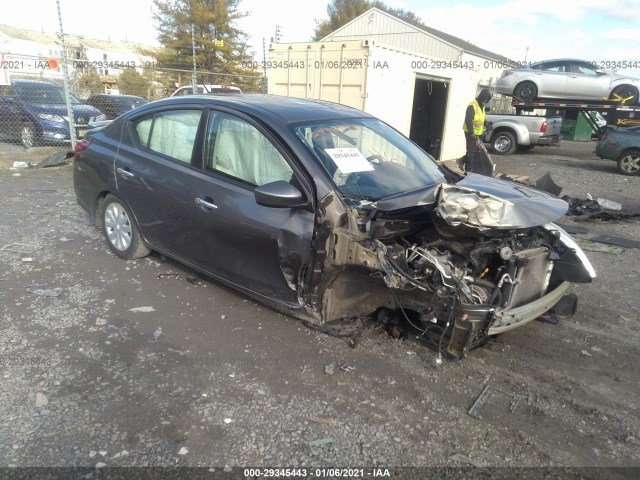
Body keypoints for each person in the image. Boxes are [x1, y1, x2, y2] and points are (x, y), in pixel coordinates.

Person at [459, 88, 492, 173]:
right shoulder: (472, 105)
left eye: (487, 100)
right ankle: (468, 172)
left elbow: (481, 119)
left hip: (478, 133)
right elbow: (468, 119)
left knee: (476, 151)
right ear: (481, 97)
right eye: (485, 99)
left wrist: (487, 124)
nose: (485, 101)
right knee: (471, 153)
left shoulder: (482, 106)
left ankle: (461, 160)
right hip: (471, 133)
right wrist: (471, 132)